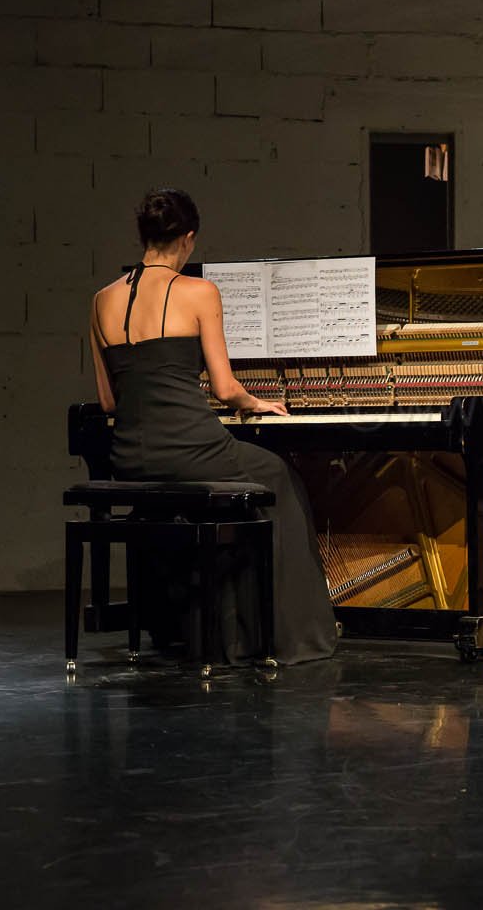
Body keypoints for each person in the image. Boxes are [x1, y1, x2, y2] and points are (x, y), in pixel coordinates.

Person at [89, 188, 337, 665]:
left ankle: (216, 631)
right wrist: (256, 402)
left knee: (242, 487)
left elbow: (108, 401)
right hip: (191, 449)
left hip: (130, 457)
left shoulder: (101, 300)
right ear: (187, 239)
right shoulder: (199, 291)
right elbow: (225, 389)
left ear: (143, 236)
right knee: (278, 477)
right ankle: (287, 638)